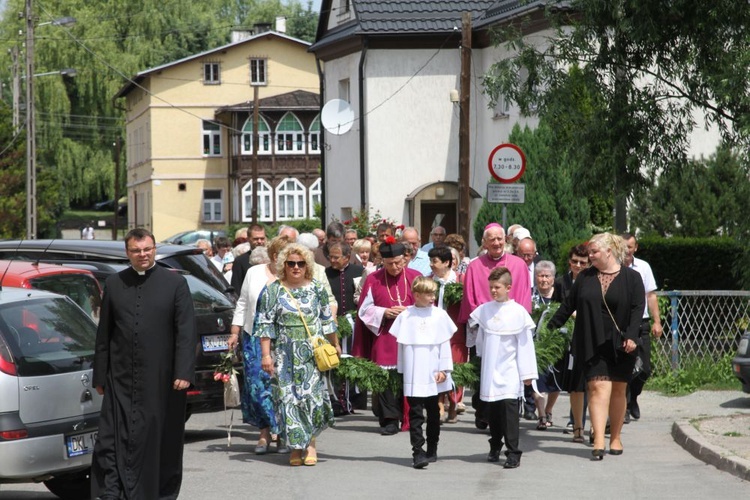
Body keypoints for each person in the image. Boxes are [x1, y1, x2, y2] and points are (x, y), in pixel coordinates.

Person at [91, 228, 196, 499]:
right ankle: (113, 493)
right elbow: (105, 333)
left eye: (147, 249)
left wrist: (184, 371)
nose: (143, 255)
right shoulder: (115, 283)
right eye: (136, 251)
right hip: (121, 378)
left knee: (158, 441)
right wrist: (100, 376)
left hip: (162, 380)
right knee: (111, 441)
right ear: (127, 253)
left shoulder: (175, 284)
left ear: (155, 249)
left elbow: (186, 332)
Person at [547, 232, 645, 460]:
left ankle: (616, 437)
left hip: (622, 344)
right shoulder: (585, 277)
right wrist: (547, 329)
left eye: (594, 252)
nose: (589, 255)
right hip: (592, 340)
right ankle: (599, 439)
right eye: (589, 251)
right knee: (597, 388)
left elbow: (637, 309)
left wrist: (632, 337)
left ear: (609, 252)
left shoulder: (632, 278)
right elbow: (567, 306)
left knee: (619, 391)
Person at [257, 243, 340, 466]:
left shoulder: (317, 289)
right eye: (291, 263)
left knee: (310, 398)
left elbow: (326, 320)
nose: (296, 267)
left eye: (300, 263)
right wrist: (266, 356)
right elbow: (265, 325)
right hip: (284, 354)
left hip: (312, 353)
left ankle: (310, 444)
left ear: (307, 266)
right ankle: (295, 447)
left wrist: (336, 346)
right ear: (283, 265)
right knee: (288, 399)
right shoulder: (273, 290)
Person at [459, 223, 531, 429]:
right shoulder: (475, 265)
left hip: (510, 329)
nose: (497, 243)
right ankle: (483, 413)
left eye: (500, 239)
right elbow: (471, 298)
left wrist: (519, 321)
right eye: (492, 239)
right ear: (485, 243)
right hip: (484, 328)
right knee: (483, 370)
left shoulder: (518, 265)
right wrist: (483, 321)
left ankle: (508, 413)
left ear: (505, 240)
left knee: (509, 372)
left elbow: (525, 296)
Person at [352, 236, 422, 435]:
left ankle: (409, 415)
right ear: (383, 261)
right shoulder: (374, 279)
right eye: (390, 264)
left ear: (405, 259)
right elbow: (364, 310)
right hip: (384, 335)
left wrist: (408, 311)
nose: (395, 267)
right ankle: (389, 419)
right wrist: (384, 312)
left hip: (411, 336)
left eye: (399, 263)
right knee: (385, 378)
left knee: (407, 376)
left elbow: (428, 303)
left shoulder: (415, 276)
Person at [469, 267, 538, 469]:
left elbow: (525, 346)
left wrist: (527, 375)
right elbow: (481, 340)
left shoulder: (518, 313)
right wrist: (479, 361)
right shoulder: (485, 309)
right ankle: (494, 446)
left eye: (497, 287)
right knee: (493, 412)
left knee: (508, 412)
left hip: (510, 370)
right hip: (490, 368)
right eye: (490, 287)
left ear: (508, 287)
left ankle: (513, 452)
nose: (493, 291)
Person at [228, 236, 291, 455]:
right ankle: (264, 432)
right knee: (258, 387)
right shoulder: (254, 273)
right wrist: (235, 331)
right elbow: (243, 302)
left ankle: (282, 434)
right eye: (282, 257)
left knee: (281, 387)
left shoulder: (292, 275)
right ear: (273, 255)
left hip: (283, 338)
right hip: (253, 337)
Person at [390, 277, 455, 469]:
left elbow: (445, 344)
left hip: (434, 370)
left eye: (433, 293)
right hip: (414, 371)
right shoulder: (406, 316)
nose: (432, 297)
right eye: (428, 294)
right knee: (416, 413)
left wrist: (444, 369)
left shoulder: (440, 315)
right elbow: (402, 346)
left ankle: (432, 447)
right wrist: (403, 370)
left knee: (433, 412)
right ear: (416, 295)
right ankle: (417, 452)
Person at [621, 232, 663, 421]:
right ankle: (625, 407)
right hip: (623, 323)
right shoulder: (614, 267)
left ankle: (633, 398)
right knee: (624, 366)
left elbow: (651, 295)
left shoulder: (643, 267)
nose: (627, 250)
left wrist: (657, 321)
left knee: (644, 368)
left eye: (630, 246)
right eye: (624, 246)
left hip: (642, 322)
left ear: (635, 248)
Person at [428, 245, 466, 423]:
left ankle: (454, 404)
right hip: (433, 334)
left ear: (447, 262)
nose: (431, 265)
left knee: (455, 368)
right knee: (436, 368)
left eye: (434, 261)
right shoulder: (428, 282)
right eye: (430, 260)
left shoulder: (461, 280)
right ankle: (439, 405)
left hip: (456, 333)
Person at [531, 260, 561, 430]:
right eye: (540, 276)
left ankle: (549, 409)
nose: (543, 279)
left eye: (547, 276)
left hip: (556, 343)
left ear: (553, 278)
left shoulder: (559, 295)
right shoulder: (530, 295)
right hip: (535, 344)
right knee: (537, 380)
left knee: (555, 381)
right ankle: (541, 414)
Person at [231, 224, 267, 294]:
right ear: (248, 239)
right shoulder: (240, 261)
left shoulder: (272, 259)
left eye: (262, 238)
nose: (259, 241)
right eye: (256, 239)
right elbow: (236, 288)